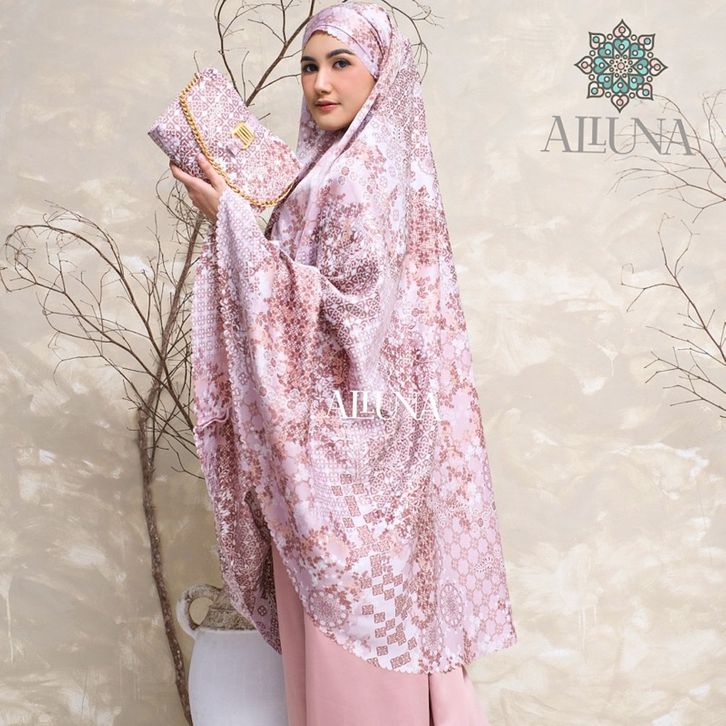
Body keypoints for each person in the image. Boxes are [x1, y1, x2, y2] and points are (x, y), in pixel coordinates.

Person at [172, 2, 517, 724]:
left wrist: (231, 222)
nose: (320, 83)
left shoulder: (361, 173)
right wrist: (243, 217)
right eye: (309, 66)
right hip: (342, 444)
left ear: (380, 72)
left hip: (356, 457)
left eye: (340, 63)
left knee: (360, 653)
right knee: (373, 638)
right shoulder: (330, 168)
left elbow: (356, 317)